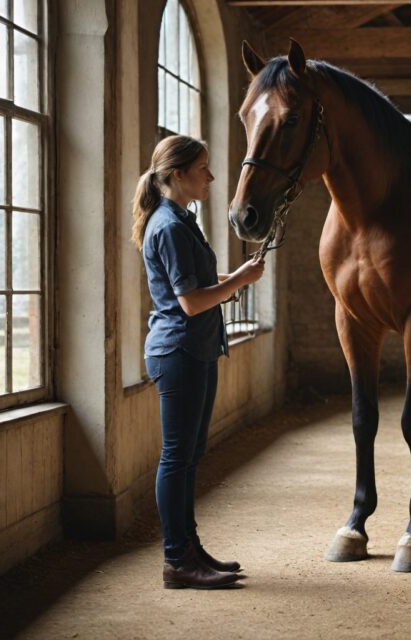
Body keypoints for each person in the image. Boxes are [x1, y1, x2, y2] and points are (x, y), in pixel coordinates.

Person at [131, 135, 265, 589]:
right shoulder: (168, 226)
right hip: (180, 351)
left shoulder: (181, 220)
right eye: (202, 169)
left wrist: (235, 279)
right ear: (177, 175)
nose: (210, 177)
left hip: (196, 350)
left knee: (189, 457)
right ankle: (177, 560)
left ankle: (190, 549)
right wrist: (242, 278)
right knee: (176, 457)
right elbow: (190, 302)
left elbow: (199, 283)